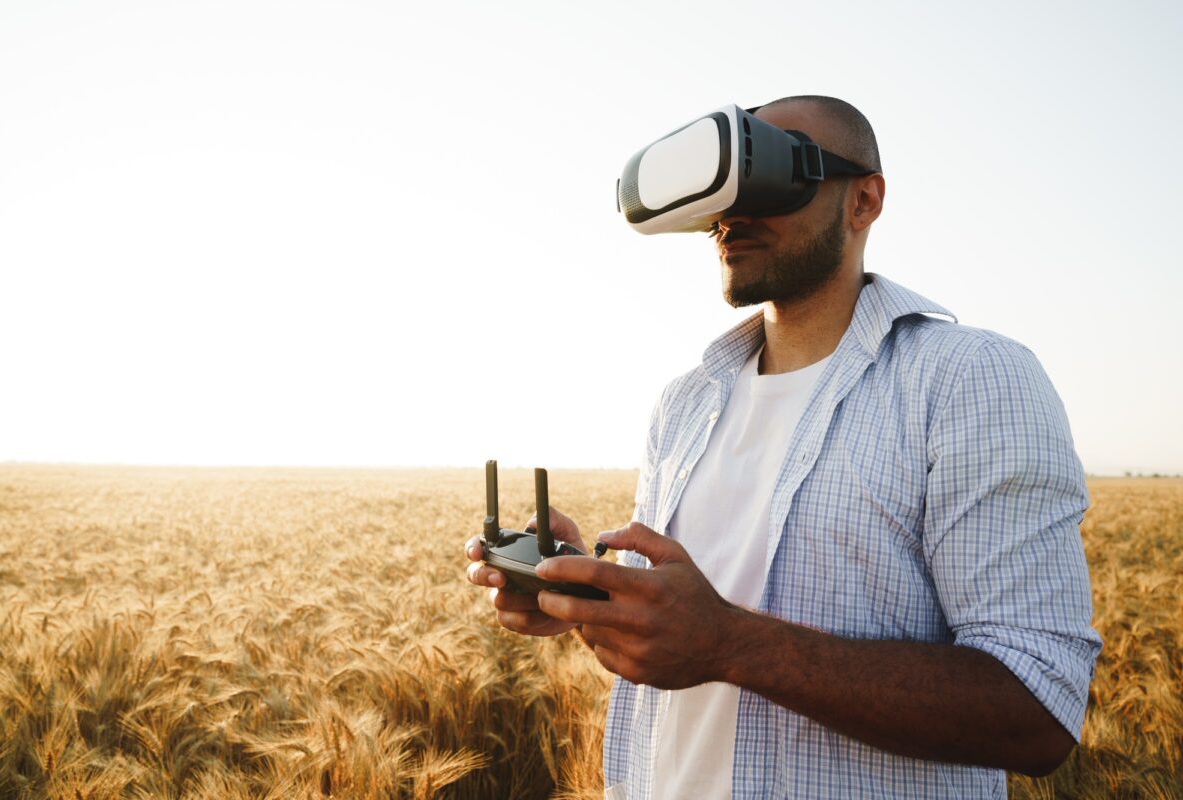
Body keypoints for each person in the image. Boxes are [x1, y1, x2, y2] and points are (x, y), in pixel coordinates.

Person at [465, 95, 1101, 799]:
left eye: (772, 173)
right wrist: (586, 597)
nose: (732, 213)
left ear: (864, 201)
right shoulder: (685, 403)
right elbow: (681, 638)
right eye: (724, 188)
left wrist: (731, 644)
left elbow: (1036, 710)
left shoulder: (965, 379)